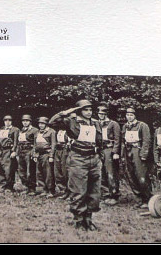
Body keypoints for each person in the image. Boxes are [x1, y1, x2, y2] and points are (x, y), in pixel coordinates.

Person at [49, 99, 105, 231]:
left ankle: (88, 219)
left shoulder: (96, 123)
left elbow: (99, 141)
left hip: (94, 159)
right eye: (85, 110)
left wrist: (99, 157)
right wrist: (67, 112)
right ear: (79, 111)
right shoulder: (71, 121)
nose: (88, 112)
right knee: (79, 191)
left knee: (94, 192)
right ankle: (79, 220)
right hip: (78, 158)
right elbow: (52, 122)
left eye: (90, 110)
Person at [120, 107, 152, 207]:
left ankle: (147, 199)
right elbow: (122, 141)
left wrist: (143, 154)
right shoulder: (125, 126)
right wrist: (122, 154)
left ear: (135, 116)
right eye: (127, 115)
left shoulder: (142, 125)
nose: (129, 117)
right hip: (127, 151)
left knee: (141, 175)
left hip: (137, 150)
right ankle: (139, 198)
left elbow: (146, 141)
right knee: (131, 175)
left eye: (131, 115)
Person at [95, 104, 121, 205]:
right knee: (101, 173)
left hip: (109, 149)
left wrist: (115, 152)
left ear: (106, 114)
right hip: (100, 150)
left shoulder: (113, 124)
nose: (101, 115)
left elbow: (117, 139)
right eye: (99, 113)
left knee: (111, 172)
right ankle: (105, 194)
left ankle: (114, 195)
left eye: (103, 113)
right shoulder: (96, 124)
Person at [0, 115, 19, 193]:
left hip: (8, 150)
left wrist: (14, 151)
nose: (7, 122)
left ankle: (9, 187)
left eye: (9, 120)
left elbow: (16, 141)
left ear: (12, 121)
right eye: (6, 120)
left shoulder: (15, 129)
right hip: (0, 151)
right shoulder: (2, 129)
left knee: (8, 169)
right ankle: (3, 186)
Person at [15, 113, 39, 195]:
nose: (25, 122)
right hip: (21, 151)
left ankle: (32, 188)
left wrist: (34, 153)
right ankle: (26, 186)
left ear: (30, 121)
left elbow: (36, 142)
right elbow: (18, 142)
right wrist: (17, 152)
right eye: (23, 121)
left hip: (29, 151)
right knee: (21, 171)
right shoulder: (21, 130)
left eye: (27, 121)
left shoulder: (34, 130)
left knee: (30, 171)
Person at [34, 116, 57, 197]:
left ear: (46, 124)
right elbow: (35, 144)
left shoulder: (51, 132)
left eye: (42, 123)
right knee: (39, 173)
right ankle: (44, 189)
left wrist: (51, 156)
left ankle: (51, 190)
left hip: (46, 154)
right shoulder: (37, 132)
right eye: (39, 123)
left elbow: (53, 144)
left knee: (48, 173)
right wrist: (35, 154)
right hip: (39, 155)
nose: (40, 125)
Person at [52, 120, 71, 199]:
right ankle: (62, 189)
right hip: (58, 151)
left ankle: (69, 191)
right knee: (57, 170)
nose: (61, 125)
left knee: (65, 171)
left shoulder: (69, 132)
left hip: (66, 152)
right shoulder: (57, 132)